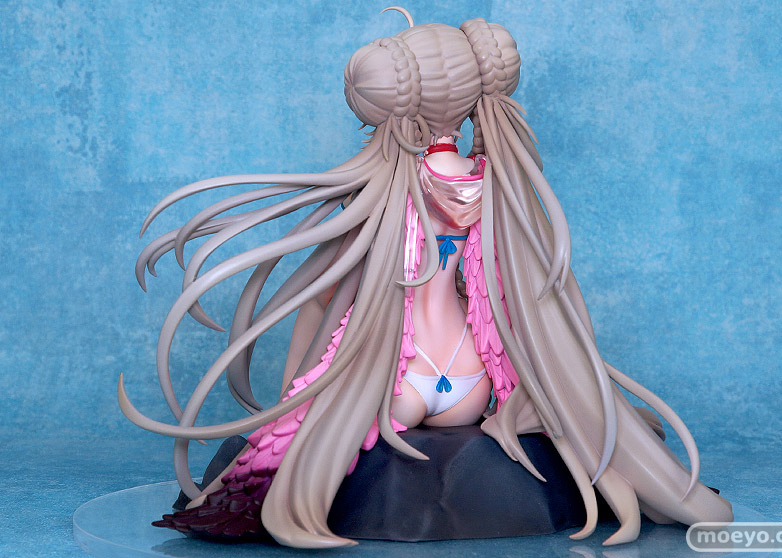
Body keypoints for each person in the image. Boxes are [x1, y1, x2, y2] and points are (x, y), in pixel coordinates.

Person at [119, 11, 733, 549]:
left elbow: (326, 296)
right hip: (472, 381)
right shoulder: (494, 182)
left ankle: (275, 495)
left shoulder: (394, 187)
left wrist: (294, 397)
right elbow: (548, 295)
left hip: (409, 376)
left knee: (309, 425)